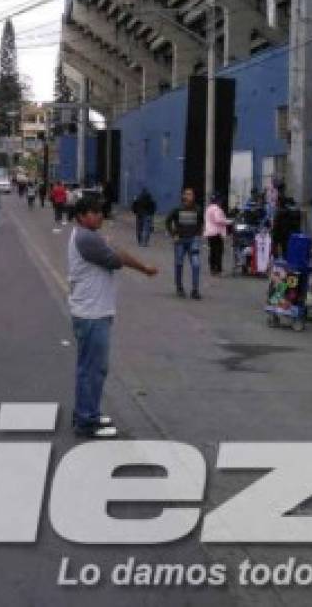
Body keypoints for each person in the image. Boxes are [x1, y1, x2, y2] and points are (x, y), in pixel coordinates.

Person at [67, 194, 157, 438]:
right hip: (91, 313)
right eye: (94, 213)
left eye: (100, 212)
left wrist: (136, 263)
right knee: (93, 368)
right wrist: (145, 269)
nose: (99, 216)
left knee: (90, 367)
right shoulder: (87, 238)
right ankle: (87, 421)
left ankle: (87, 412)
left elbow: (115, 250)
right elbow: (117, 259)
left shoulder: (88, 236)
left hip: (92, 310)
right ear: (81, 216)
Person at [165, 187, 203, 299]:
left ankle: (195, 290)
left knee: (196, 264)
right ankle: (179, 287)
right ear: (183, 196)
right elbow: (168, 221)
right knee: (179, 264)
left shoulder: (197, 209)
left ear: (193, 196)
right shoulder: (177, 209)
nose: (188, 196)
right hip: (180, 241)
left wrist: (198, 234)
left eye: (190, 194)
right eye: (186, 194)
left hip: (193, 240)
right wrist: (173, 234)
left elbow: (201, 222)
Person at [204, 195, 229, 275]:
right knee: (218, 251)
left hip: (209, 232)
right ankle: (218, 269)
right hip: (216, 233)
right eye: (221, 201)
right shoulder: (217, 209)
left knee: (212, 251)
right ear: (218, 201)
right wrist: (228, 221)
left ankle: (212, 268)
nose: (221, 203)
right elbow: (218, 220)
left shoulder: (208, 209)